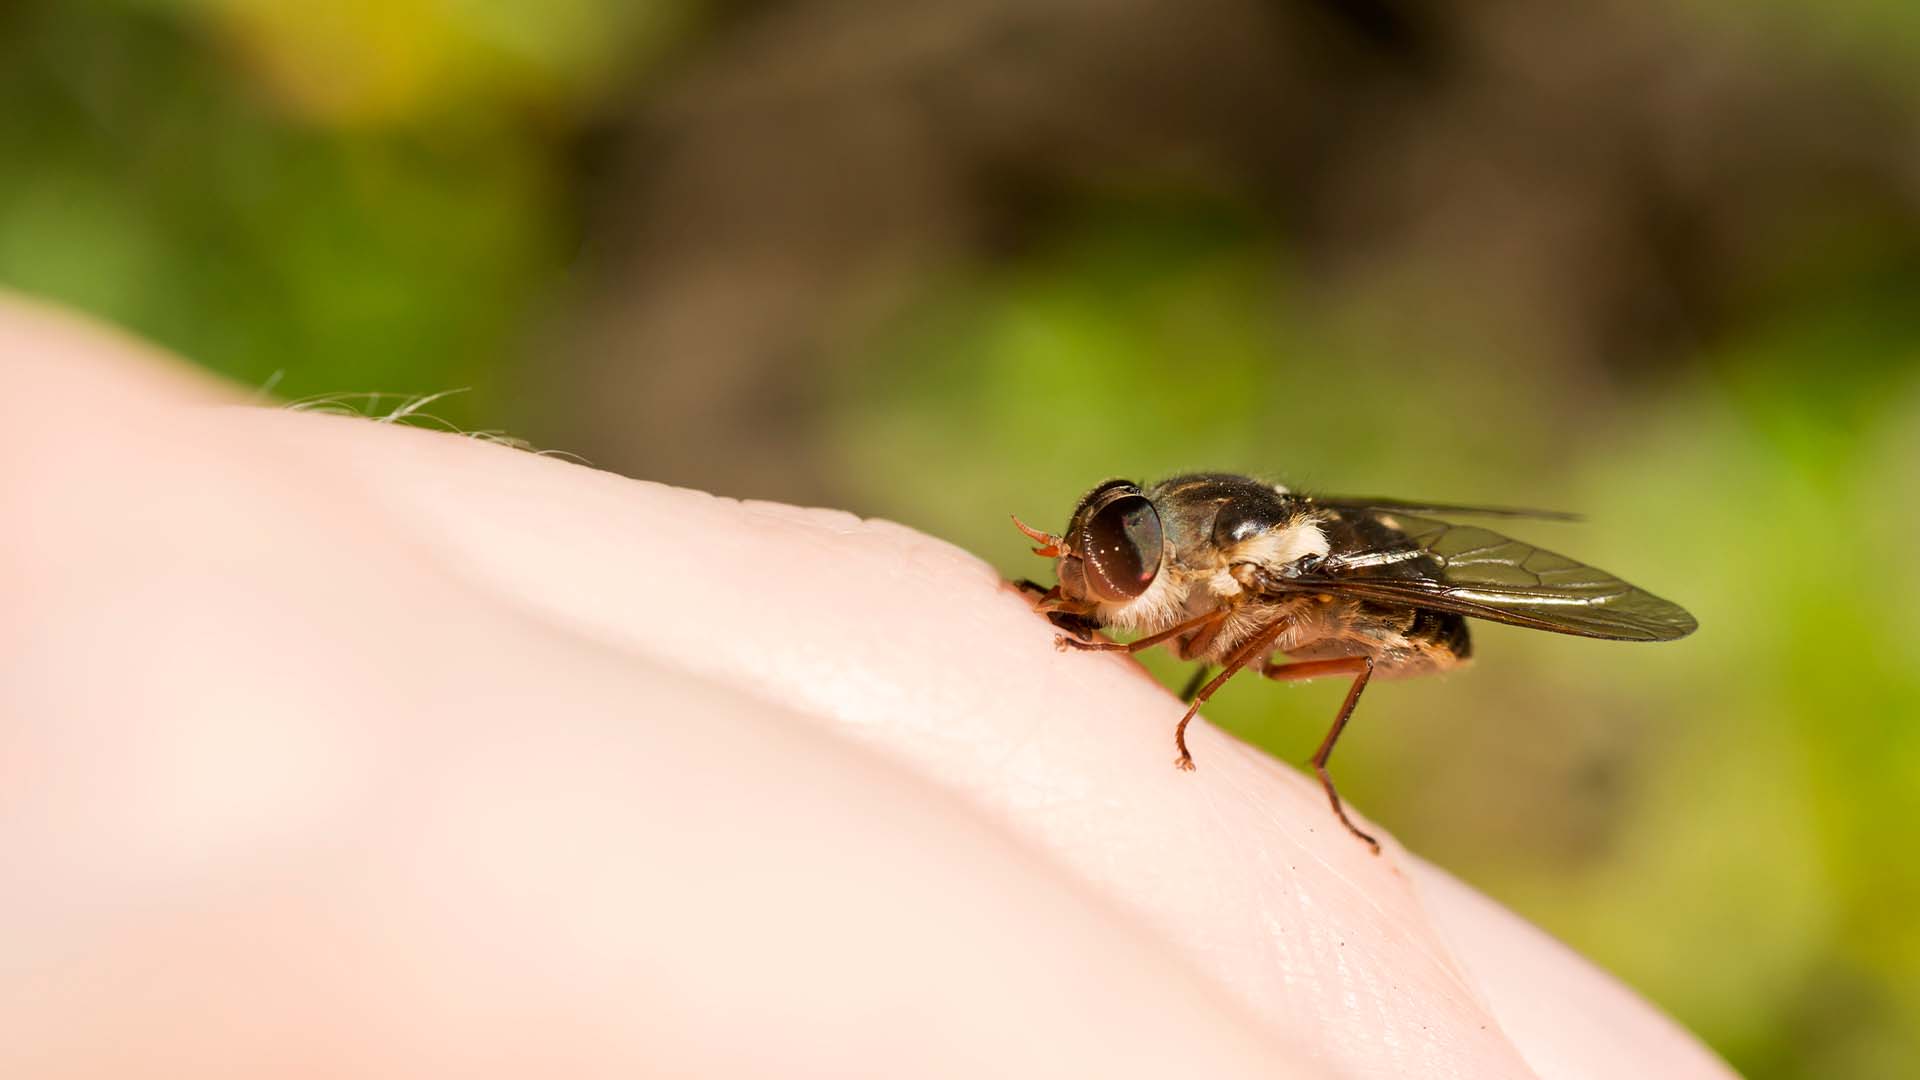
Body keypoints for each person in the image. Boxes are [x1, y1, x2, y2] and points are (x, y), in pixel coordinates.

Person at [0, 296, 1734, 1077]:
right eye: (1098, 552)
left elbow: (1291, 594)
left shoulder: (1261, 580)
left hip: (1363, 582)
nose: (1096, 570)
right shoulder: (1174, 544)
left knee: (1362, 634)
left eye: (1115, 560)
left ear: (1185, 562)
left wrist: (1211, 709)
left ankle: (1323, 776)